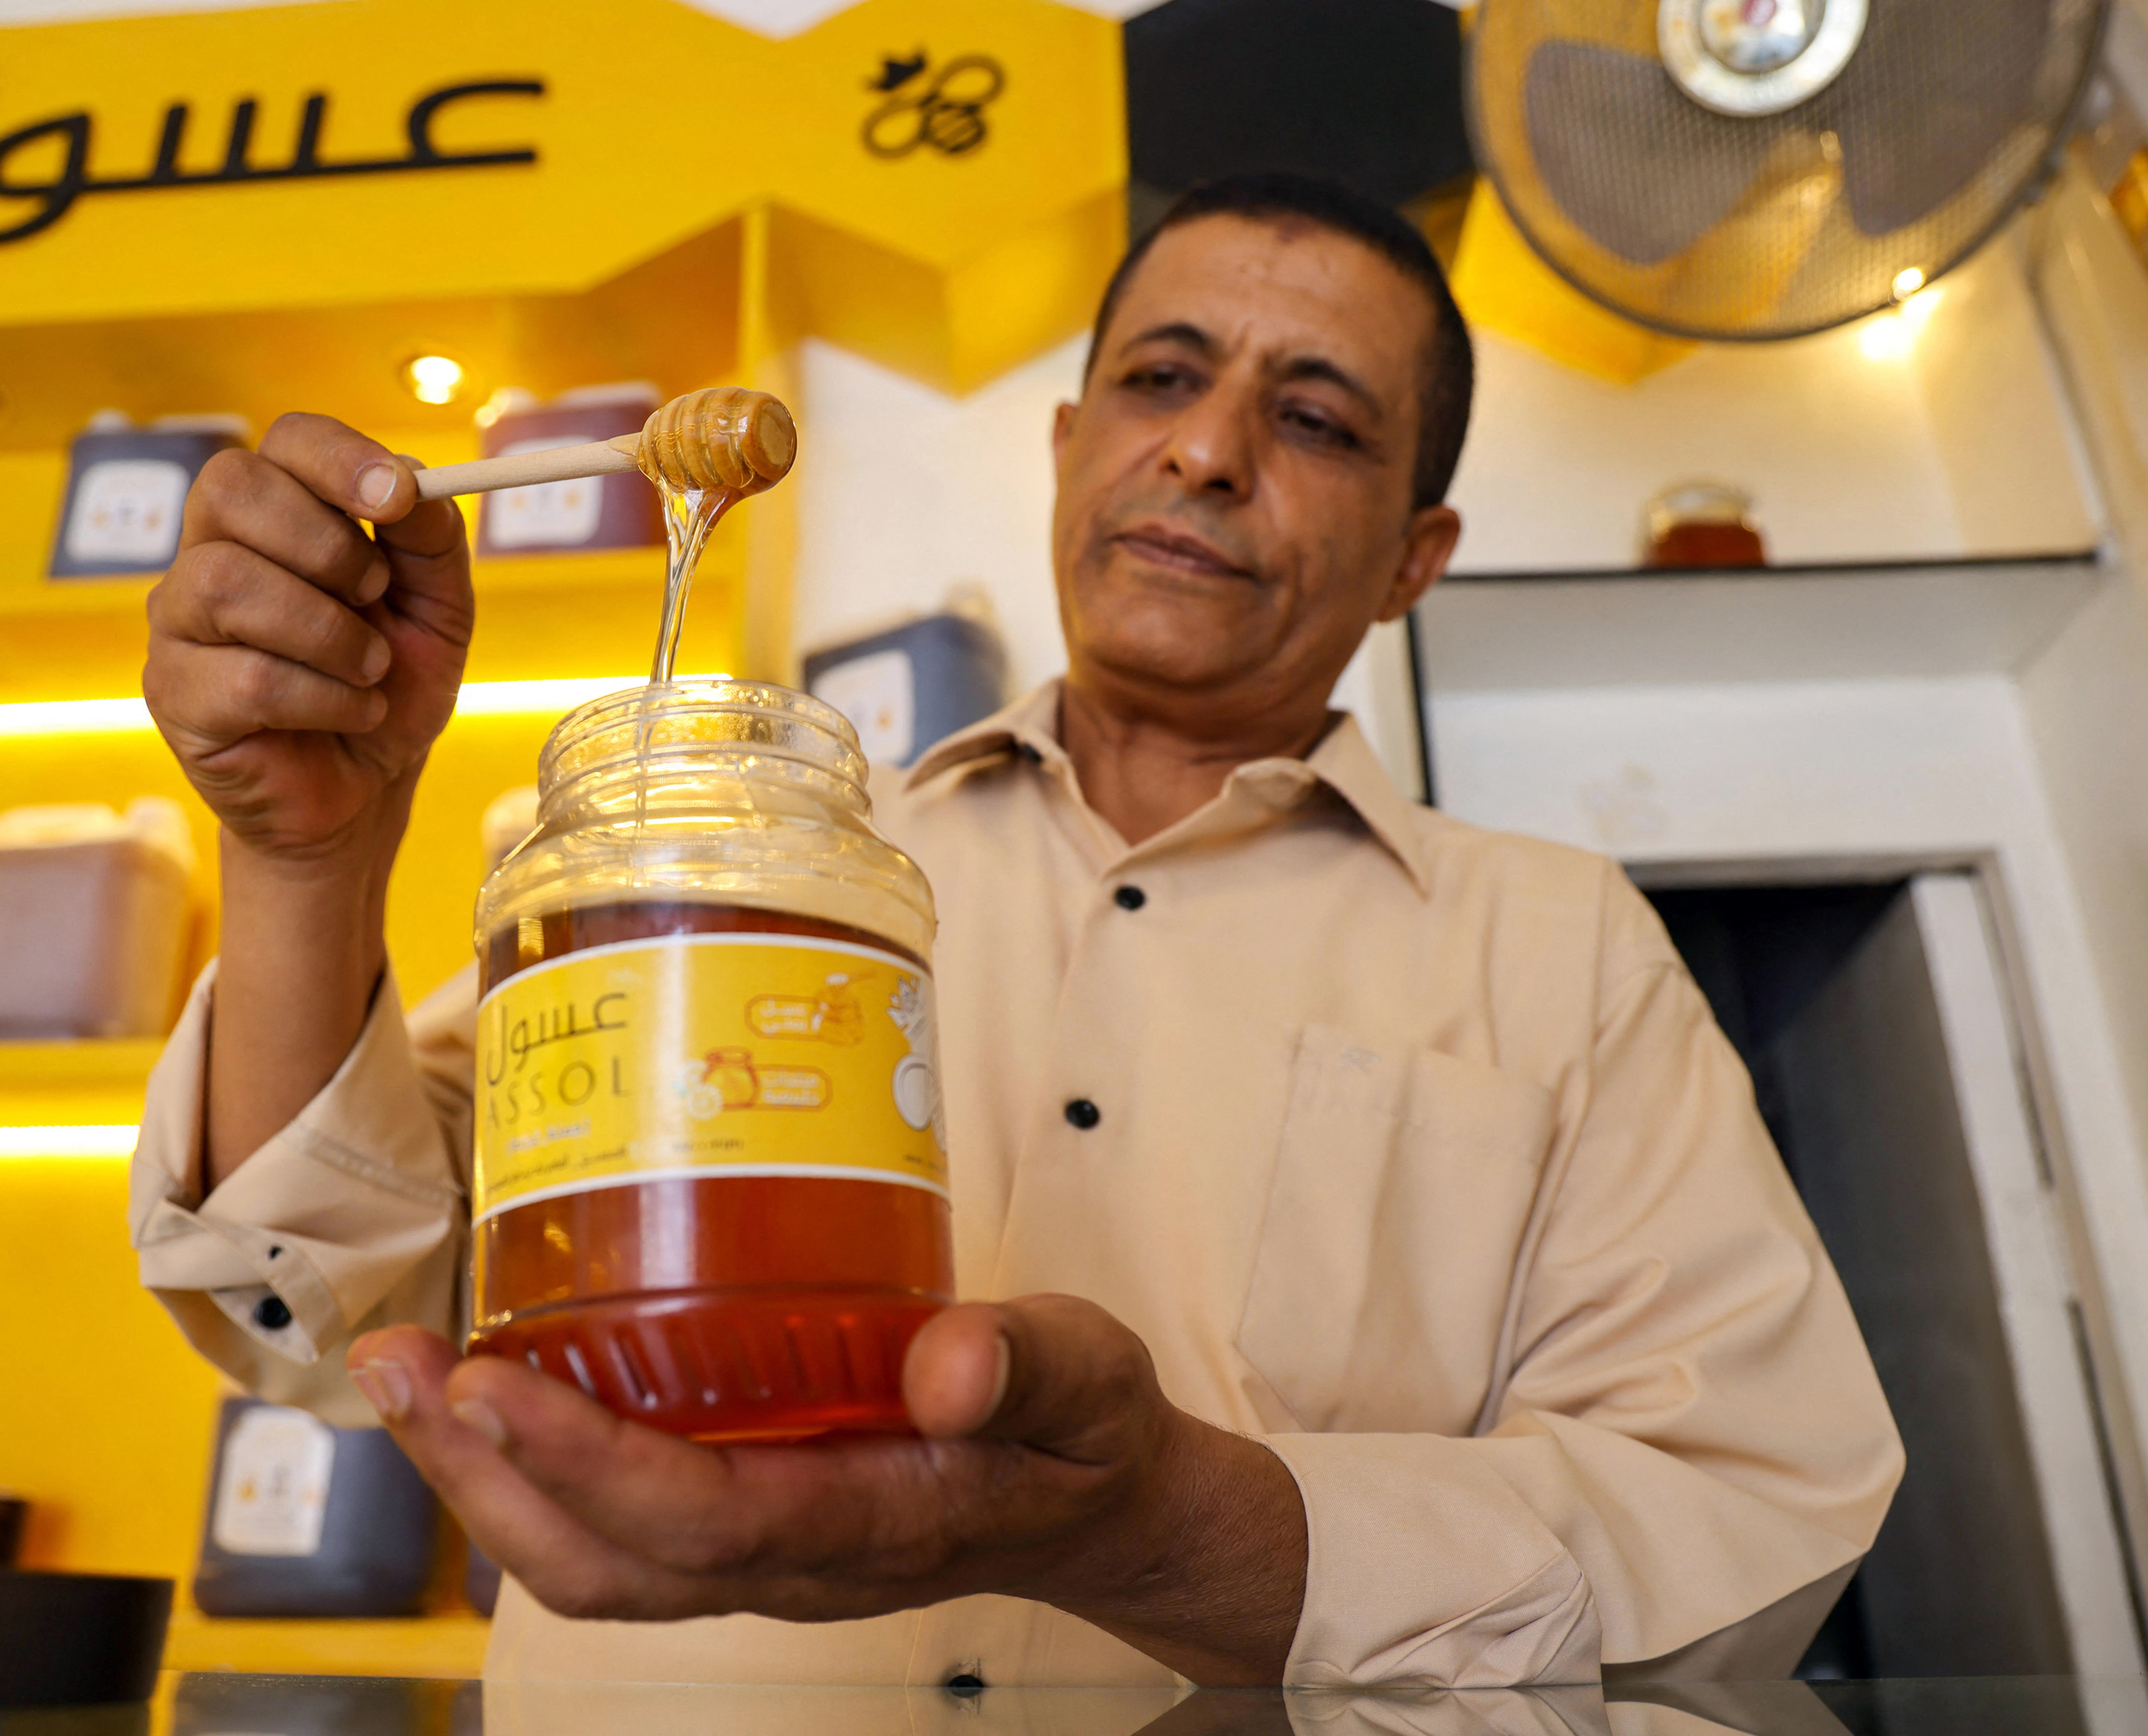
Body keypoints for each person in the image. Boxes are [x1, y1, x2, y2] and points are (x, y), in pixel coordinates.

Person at [128, 174, 1901, 1688]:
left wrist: (1162, 1526)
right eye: (1162, 378)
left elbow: (1747, 1524)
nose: (1206, 449)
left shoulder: (1558, 944)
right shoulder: (751, 857)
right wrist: (309, 860)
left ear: (1414, 555)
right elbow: (331, 1300)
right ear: (1072, 448)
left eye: (1316, 419)